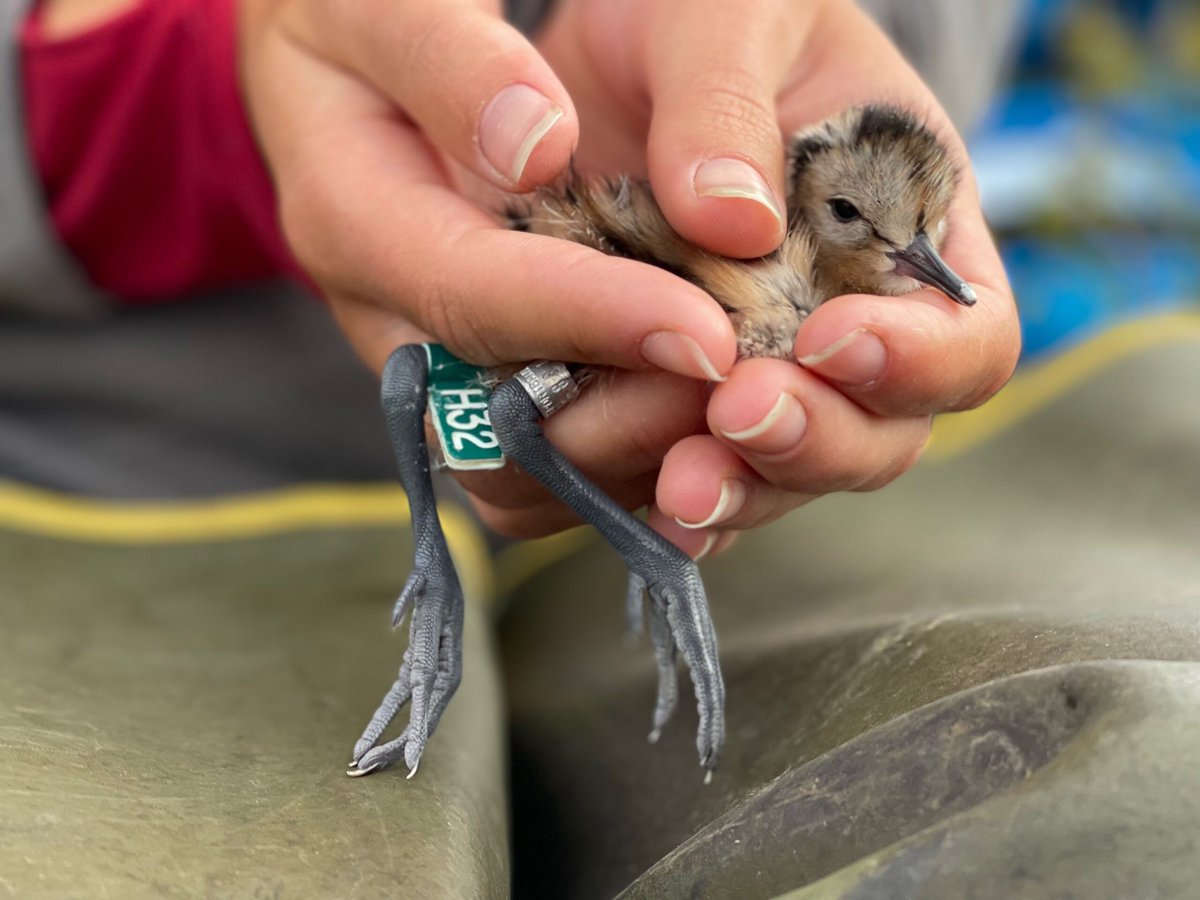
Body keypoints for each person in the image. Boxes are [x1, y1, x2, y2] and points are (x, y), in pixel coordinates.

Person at [5, 0, 1021, 555]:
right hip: (95, 502)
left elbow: (895, 83)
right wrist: (202, 82)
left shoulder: (831, 244)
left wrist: (790, 32)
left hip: (653, 534)